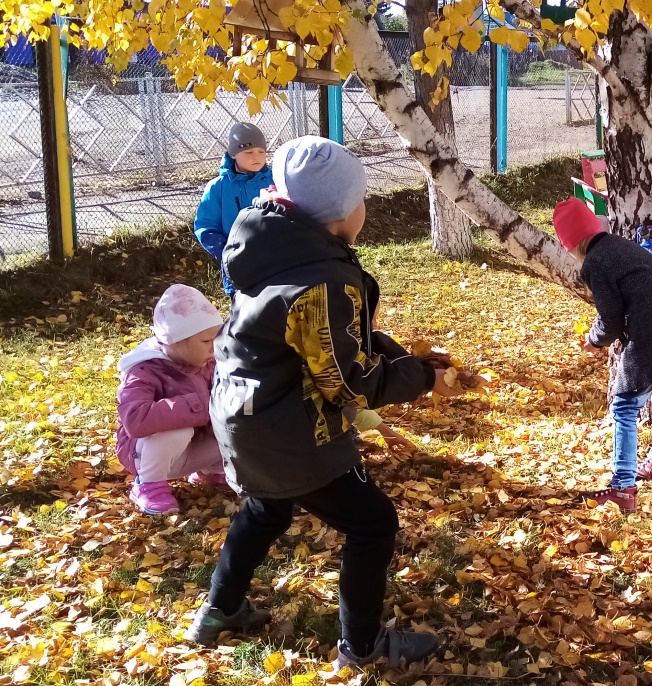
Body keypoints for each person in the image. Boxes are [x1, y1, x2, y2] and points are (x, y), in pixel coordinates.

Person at [189, 137, 466, 667]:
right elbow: (350, 384)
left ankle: (218, 610)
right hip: (291, 432)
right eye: (362, 200)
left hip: (244, 416)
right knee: (373, 524)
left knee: (265, 508)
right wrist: (424, 379)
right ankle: (362, 647)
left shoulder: (272, 248)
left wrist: (407, 358)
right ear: (342, 214)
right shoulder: (321, 279)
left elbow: (322, 347)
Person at [553, 198, 652, 511]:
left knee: (625, 407)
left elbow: (611, 318)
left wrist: (594, 340)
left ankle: (623, 487)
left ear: (571, 242)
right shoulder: (619, 245)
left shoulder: (596, 262)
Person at [116, 284, 228, 515]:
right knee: (179, 429)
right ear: (176, 340)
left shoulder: (207, 363)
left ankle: (210, 470)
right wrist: (198, 406)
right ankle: (147, 485)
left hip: (189, 452)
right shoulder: (143, 370)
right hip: (144, 455)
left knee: (233, 424)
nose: (214, 348)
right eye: (206, 342)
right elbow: (136, 419)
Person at [194, 122, 273, 295]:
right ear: (233, 154)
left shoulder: (275, 181)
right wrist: (227, 252)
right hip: (238, 264)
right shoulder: (218, 187)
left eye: (261, 152)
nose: (256, 157)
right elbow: (205, 226)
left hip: (274, 258)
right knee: (243, 311)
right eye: (249, 152)